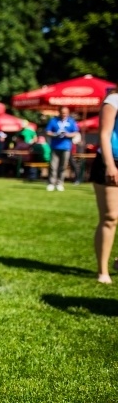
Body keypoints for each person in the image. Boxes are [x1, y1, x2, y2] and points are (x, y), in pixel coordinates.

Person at [90, 91, 118, 284]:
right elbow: (104, 134)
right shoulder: (114, 100)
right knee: (110, 217)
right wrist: (110, 165)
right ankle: (103, 271)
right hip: (111, 162)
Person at [45, 106, 79, 191]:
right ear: (59, 112)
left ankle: (60, 183)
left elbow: (75, 132)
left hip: (66, 146)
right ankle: (51, 183)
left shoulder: (71, 121)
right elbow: (47, 132)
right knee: (53, 165)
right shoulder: (53, 120)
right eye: (62, 113)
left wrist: (68, 135)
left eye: (66, 113)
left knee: (63, 166)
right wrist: (55, 134)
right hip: (55, 146)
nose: (64, 114)